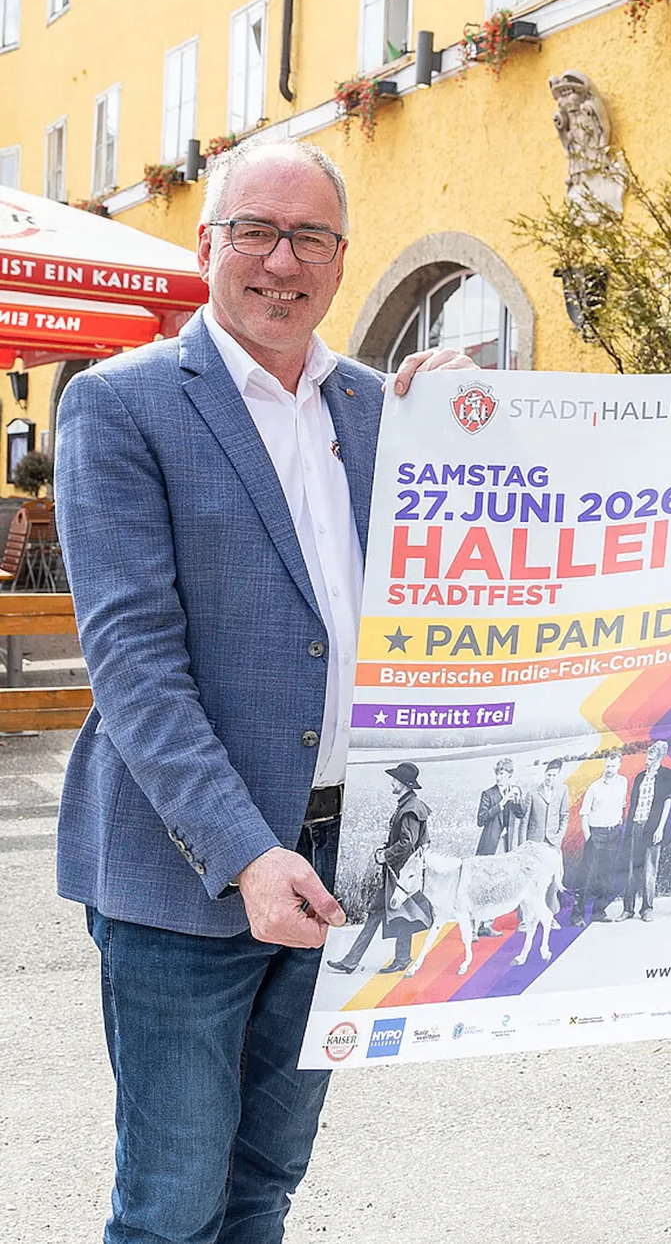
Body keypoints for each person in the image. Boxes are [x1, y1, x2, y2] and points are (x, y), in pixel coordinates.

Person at [54, 136, 474, 1244]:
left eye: (310, 238)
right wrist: (247, 853)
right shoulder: (122, 405)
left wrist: (484, 424)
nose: (280, 261)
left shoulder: (388, 409)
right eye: (256, 230)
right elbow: (134, 664)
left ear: (341, 262)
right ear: (207, 245)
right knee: (172, 1204)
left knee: (263, 1189)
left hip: (345, 860)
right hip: (187, 873)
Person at [326, 763, 433, 975]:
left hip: (400, 876)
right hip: (400, 873)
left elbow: (407, 843)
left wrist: (385, 855)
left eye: (394, 779)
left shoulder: (410, 809)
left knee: (397, 913)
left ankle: (369, 960)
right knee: (388, 913)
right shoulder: (409, 805)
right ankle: (355, 961)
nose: (391, 782)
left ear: (403, 784)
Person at [569, 749, 627, 925]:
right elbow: (584, 813)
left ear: (619, 766)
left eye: (613, 766)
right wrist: (589, 837)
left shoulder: (623, 782)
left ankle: (599, 912)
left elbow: (622, 804)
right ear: (605, 765)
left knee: (606, 875)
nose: (610, 769)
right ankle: (577, 915)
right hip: (596, 834)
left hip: (614, 833)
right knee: (587, 876)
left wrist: (618, 823)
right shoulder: (595, 787)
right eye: (607, 765)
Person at [621, 739, 671, 922]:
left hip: (652, 828)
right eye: (647, 755)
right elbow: (633, 804)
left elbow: (667, 802)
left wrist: (660, 828)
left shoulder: (666, 775)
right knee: (632, 869)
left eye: (650, 756)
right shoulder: (640, 777)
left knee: (649, 871)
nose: (647, 759)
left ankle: (647, 909)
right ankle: (628, 909)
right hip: (636, 825)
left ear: (659, 758)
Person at [474, 756, 525, 935]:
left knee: (499, 885)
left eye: (502, 774)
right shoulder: (488, 794)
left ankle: (487, 924)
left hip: (507, 845)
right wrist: (501, 804)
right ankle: (475, 926)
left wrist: (517, 801)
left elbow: (520, 815)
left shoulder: (515, 790)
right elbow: (481, 820)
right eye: (497, 773)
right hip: (490, 846)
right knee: (484, 885)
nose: (498, 777)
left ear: (510, 775)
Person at [522, 757, 569, 848]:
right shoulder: (532, 793)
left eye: (554, 775)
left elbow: (564, 816)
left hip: (553, 841)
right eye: (549, 775)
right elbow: (525, 820)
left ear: (558, 775)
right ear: (545, 774)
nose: (551, 778)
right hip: (534, 841)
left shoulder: (562, 790)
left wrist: (559, 836)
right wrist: (524, 843)